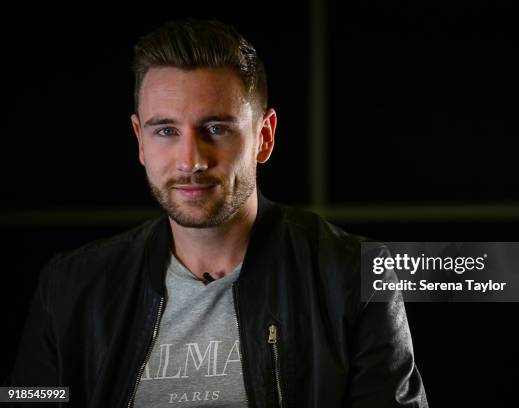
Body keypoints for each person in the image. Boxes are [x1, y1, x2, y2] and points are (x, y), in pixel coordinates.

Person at [6, 19, 427, 407]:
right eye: (166, 131)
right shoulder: (68, 287)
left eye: (216, 129)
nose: (191, 160)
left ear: (264, 137)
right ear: (140, 140)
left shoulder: (351, 275)